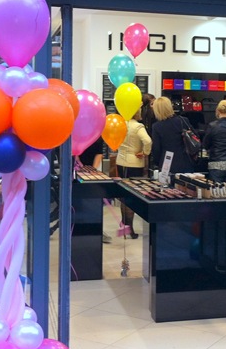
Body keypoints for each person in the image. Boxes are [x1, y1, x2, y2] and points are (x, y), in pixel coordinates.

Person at [116, 110, 152, 239]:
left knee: (123, 194)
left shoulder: (120, 124)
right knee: (132, 195)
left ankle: (124, 224)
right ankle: (129, 226)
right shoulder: (137, 126)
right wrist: (145, 152)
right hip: (134, 163)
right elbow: (148, 141)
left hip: (120, 161)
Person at [75, 136, 111, 243]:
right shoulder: (79, 135)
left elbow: (99, 154)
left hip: (91, 172)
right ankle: (80, 228)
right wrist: (78, 161)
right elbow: (74, 151)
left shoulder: (97, 136)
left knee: (93, 202)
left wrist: (93, 169)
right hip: (77, 169)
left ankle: (95, 229)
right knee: (79, 202)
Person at [151, 97, 196, 176]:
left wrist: (156, 162)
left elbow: (156, 149)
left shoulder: (157, 126)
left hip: (167, 163)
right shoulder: (183, 120)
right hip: (186, 161)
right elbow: (195, 136)